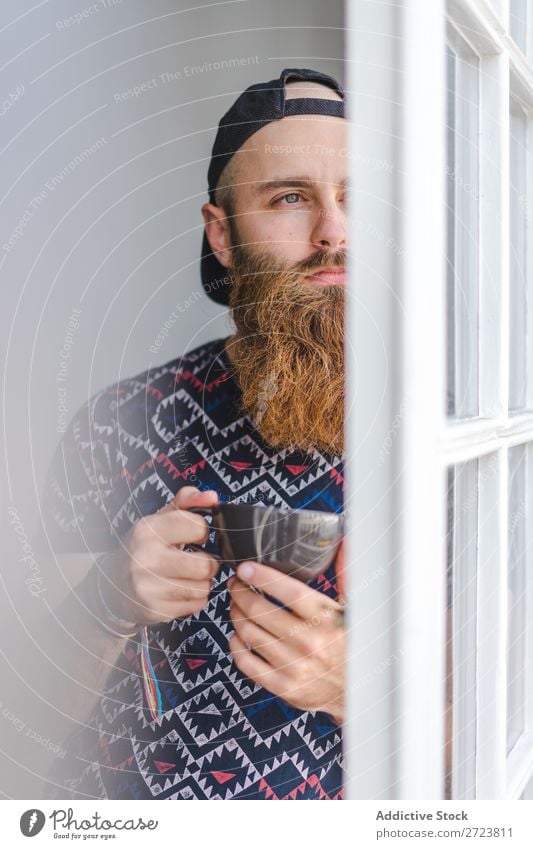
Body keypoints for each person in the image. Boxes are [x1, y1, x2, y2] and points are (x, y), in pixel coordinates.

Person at [30, 67, 348, 800]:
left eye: (353, 197)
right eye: (291, 197)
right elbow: (25, 709)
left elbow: (499, 734)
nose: (333, 229)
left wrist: (354, 689)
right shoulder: (118, 421)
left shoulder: (458, 443)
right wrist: (105, 602)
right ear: (222, 234)